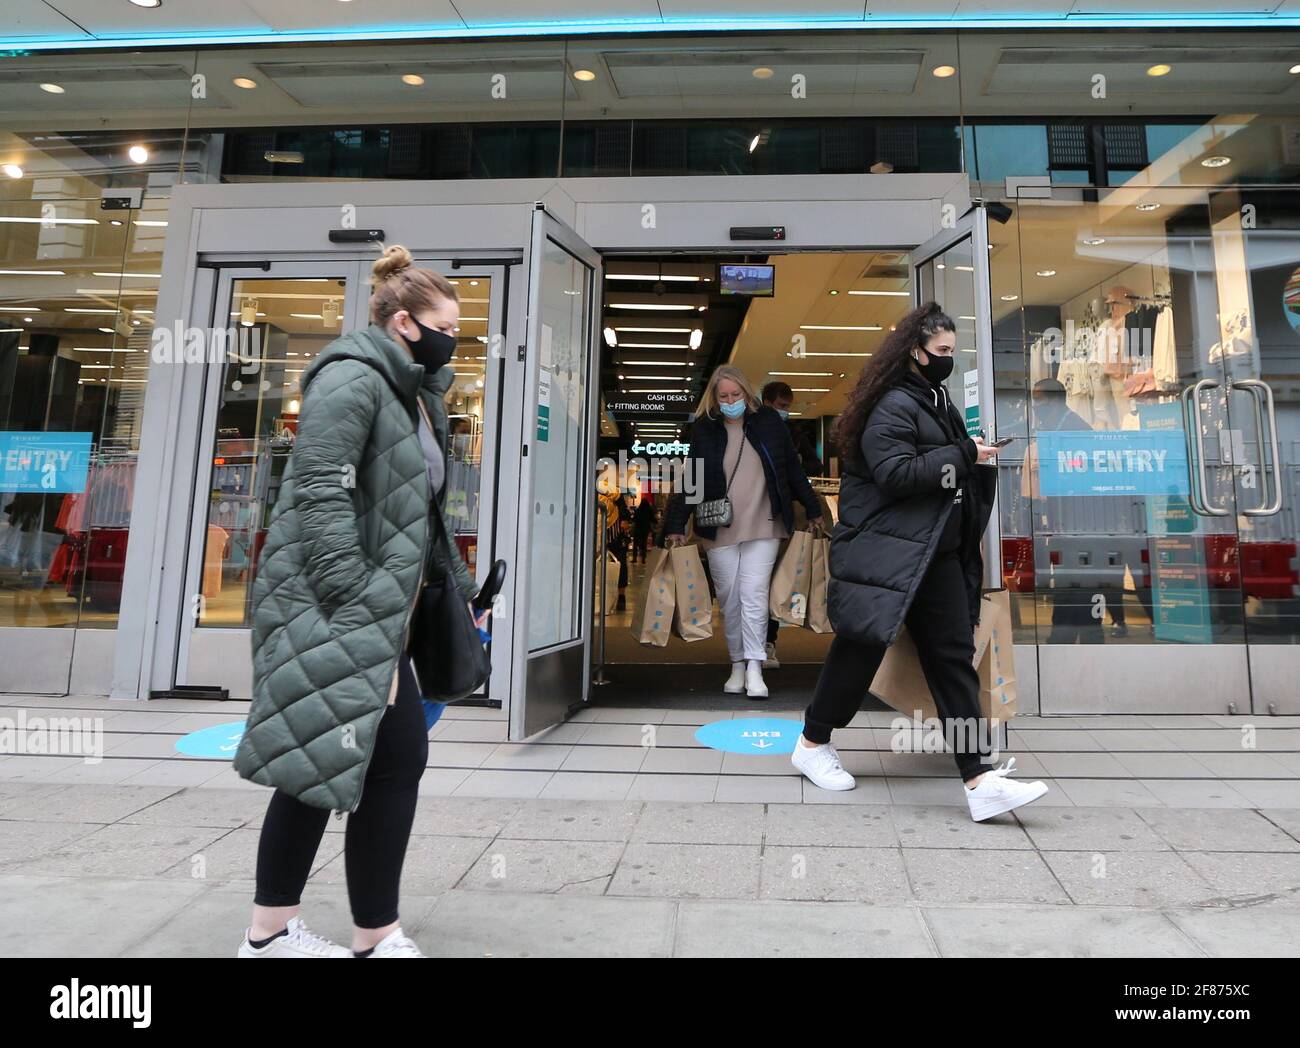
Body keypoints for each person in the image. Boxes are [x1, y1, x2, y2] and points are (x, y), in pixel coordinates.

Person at [233, 244, 486, 957]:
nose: (454, 340)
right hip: (333, 605)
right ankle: (279, 934)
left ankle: (349, 932)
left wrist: (461, 597)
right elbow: (318, 492)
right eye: (447, 326)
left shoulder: (414, 396)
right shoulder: (352, 379)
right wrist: (356, 593)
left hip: (381, 614)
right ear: (405, 323)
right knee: (332, 759)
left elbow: (419, 512)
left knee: (366, 759)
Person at [793, 302, 1049, 822]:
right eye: (942, 352)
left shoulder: (935, 399)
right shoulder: (894, 403)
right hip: (887, 551)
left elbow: (934, 465)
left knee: (952, 658)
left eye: (953, 352)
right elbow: (895, 472)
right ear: (915, 351)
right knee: (860, 648)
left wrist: (967, 452)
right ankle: (812, 742)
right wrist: (964, 455)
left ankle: (979, 779)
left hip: (934, 553)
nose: (949, 360)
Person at [664, 365, 823, 698]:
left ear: (747, 394)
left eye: (736, 395)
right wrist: (676, 523)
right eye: (723, 396)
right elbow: (691, 477)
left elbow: (791, 470)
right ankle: (737, 662)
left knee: (753, 596)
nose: (730, 401)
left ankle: (754, 665)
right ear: (715, 398)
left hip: (764, 522)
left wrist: (813, 507)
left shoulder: (768, 423)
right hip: (717, 526)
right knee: (729, 599)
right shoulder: (706, 429)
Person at [760, 380, 825, 668]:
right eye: (781, 406)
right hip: (757, 515)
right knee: (758, 584)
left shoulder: (793, 433)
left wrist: (812, 508)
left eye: (788, 407)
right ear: (767, 402)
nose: (785, 412)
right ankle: (757, 644)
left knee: (772, 580)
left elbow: (811, 468)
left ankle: (767, 641)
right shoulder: (751, 428)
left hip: (780, 517)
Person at [632, 493, 656, 564]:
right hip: (645, 530)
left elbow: (634, 519)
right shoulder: (649, 511)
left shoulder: (638, 510)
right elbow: (653, 519)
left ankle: (634, 558)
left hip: (637, 529)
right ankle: (643, 559)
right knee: (644, 544)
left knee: (635, 544)